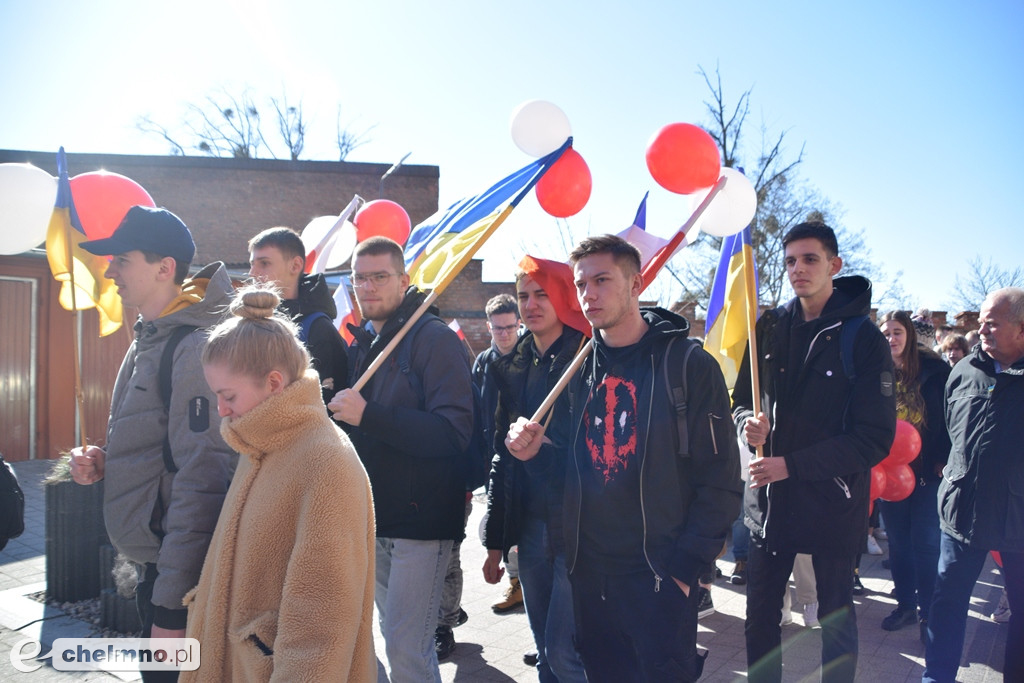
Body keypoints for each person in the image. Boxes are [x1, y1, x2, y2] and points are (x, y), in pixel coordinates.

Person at [507, 234, 742, 682]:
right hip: (590, 578)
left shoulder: (688, 364)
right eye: (580, 285)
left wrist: (686, 571)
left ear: (636, 284)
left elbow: (721, 480)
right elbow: (570, 474)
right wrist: (536, 453)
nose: (588, 295)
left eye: (602, 280)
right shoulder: (578, 368)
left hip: (659, 576)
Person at [69, 206, 238, 682]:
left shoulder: (193, 349)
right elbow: (163, 447)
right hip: (156, 571)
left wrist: (171, 611)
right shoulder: (151, 336)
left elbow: (204, 480)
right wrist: (109, 460)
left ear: (165, 268)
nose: (109, 270)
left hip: (178, 585)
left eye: (122, 259)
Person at [181, 285, 375, 682]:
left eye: (228, 395)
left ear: (272, 383)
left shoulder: (325, 463)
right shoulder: (260, 444)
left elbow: (321, 624)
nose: (220, 409)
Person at [732, 221, 896, 683]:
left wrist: (793, 465)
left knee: (836, 621)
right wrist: (749, 423)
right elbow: (741, 399)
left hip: (833, 504)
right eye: (789, 261)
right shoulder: (768, 325)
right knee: (760, 621)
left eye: (809, 259)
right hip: (768, 504)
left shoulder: (863, 338)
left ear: (834, 265)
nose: (797, 269)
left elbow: (874, 438)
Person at [328, 236, 473, 683]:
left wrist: (369, 415)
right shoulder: (365, 342)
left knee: (408, 651)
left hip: (421, 525)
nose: (368, 287)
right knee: (387, 645)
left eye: (379, 277)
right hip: (376, 520)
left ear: (404, 280)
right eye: (360, 278)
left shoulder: (433, 340)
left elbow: (454, 433)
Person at [482, 256, 588, 682]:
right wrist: (495, 540)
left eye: (542, 293)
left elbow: (604, 454)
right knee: (545, 650)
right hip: (530, 524)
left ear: (564, 294)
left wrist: (545, 452)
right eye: (524, 294)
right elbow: (500, 456)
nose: (530, 304)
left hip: (578, 525)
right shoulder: (509, 366)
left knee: (566, 653)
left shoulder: (590, 356)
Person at [923, 287, 1024, 683]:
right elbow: (950, 434)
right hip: (961, 512)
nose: (982, 329)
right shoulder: (963, 371)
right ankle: (937, 677)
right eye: (980, 321)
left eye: (992, 322)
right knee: (946, 603)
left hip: (1018, 518)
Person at [876, 310, 950, 641]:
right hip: (889, 474)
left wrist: (943, 457)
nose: (891, 338)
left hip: (927, 472)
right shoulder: (875, 372)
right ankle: (905, 605)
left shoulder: (936, 371)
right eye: (886, 332)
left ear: (908, 334)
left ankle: (928, 614)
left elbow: (951, 417)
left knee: (927, 543)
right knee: (899, 546)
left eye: (896, 332)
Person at [247, 226, 348, 406]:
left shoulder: (318, 328)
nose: (252, 274)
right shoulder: (247, 322)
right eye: (252, 264)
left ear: (295, 265)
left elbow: (331, 407)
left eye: (264, 263)